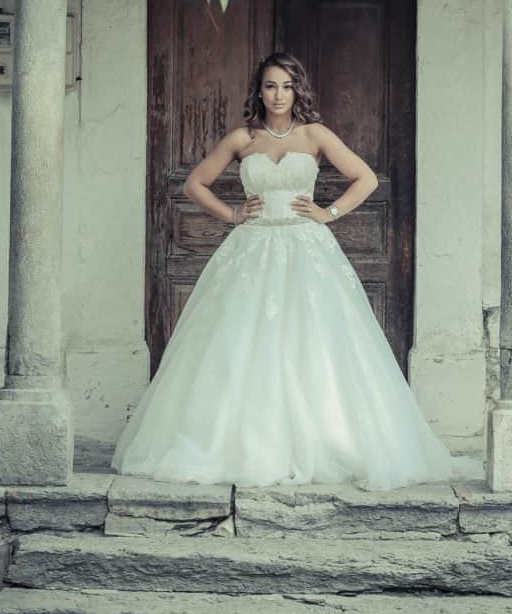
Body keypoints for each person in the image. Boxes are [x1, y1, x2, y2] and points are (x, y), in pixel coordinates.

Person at [112, 52, 452, 489]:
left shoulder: (314, 135)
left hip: (305, 248)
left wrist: (328, 212)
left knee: (314, 342)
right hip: (251, 249)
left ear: (298, 91)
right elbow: (195, 183)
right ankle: (239, 443)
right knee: (239, 342)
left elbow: (365, 178)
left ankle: (326, 439)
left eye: (287, 86)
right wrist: (232, 213)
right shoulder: (242, 138)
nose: (278, 95)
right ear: (259, 90)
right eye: (271, 86)